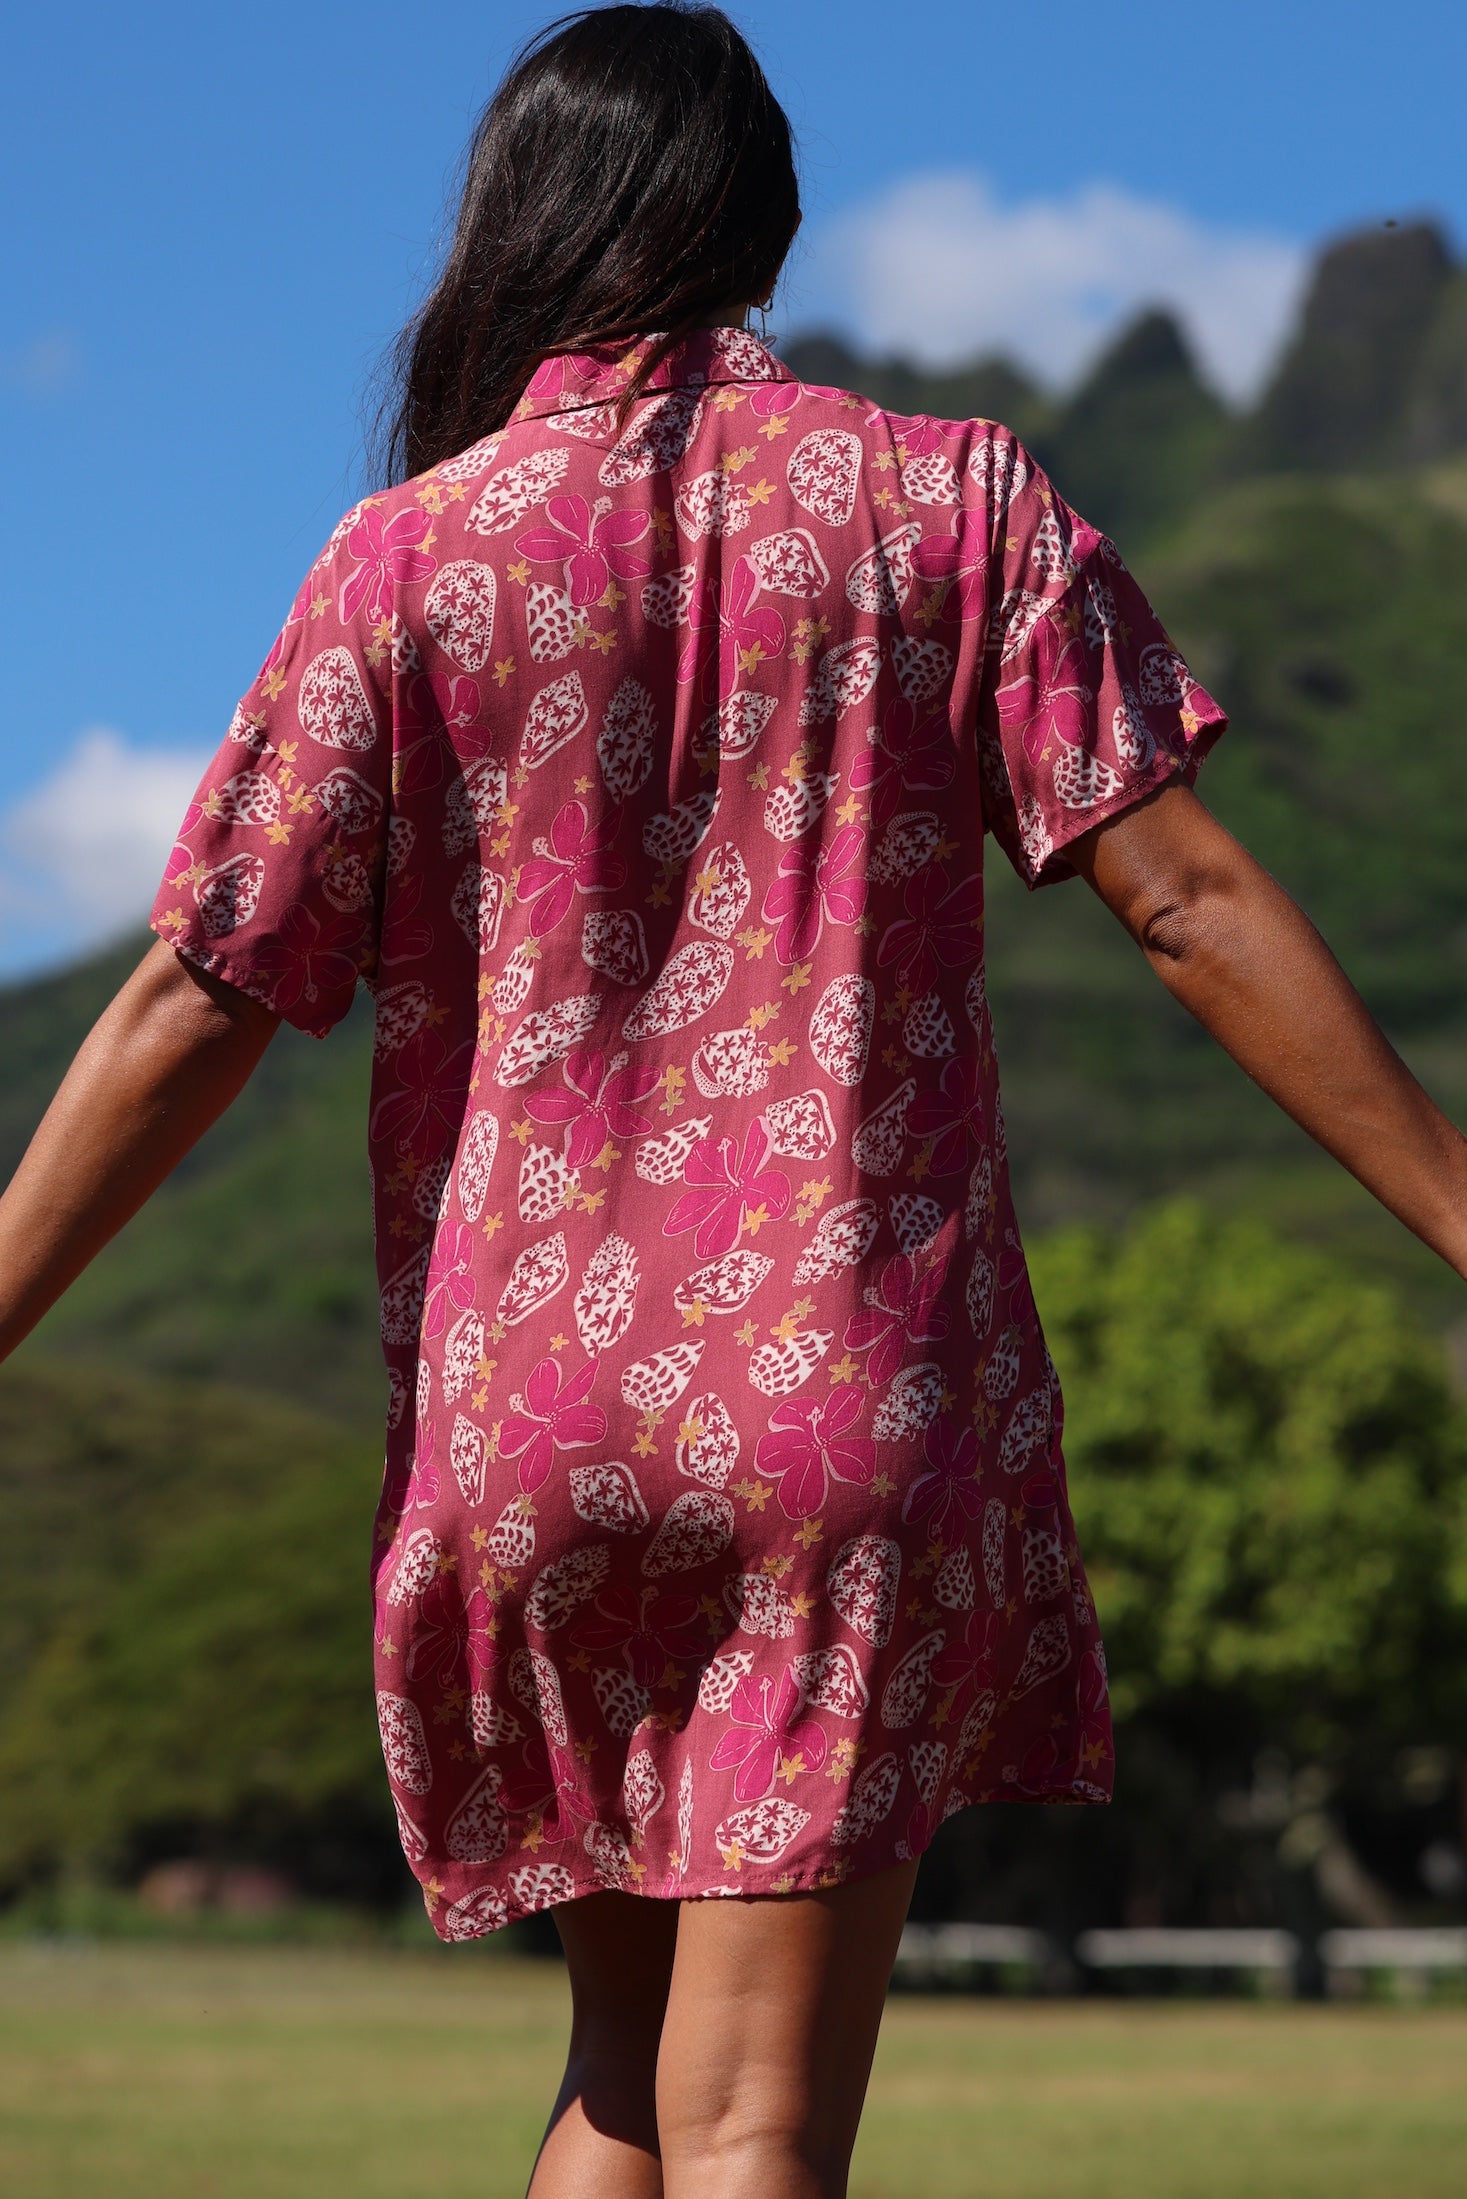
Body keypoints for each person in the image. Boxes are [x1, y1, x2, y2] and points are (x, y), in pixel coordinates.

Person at [2, 5, 1464, 2193]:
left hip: (531, 1430)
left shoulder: (400, 565)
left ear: (514, 226)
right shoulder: (946, 504)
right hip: (831, 1406)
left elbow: (194, 1002)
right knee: (757, 2119)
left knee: (623, 2084)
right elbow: (1181, 903)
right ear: (762, 228)